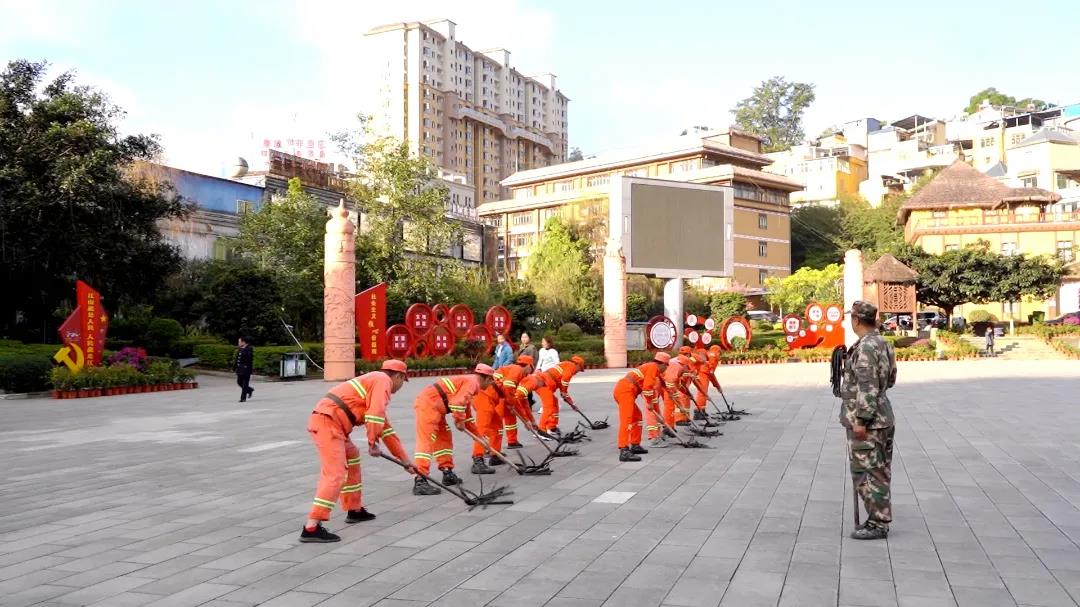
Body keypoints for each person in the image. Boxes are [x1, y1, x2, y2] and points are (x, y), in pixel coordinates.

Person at [300, 359, 414, 543]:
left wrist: (405, 461)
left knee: (352, 456)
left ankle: (354, 509)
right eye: (403, 381)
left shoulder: (374, 383)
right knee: (335, 474)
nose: (401, 387)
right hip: (328, 422)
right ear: (399, 376)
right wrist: (372, 443)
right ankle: (311, 527)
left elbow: (386, 429)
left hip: (334, 425)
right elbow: (375, 415)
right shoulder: (383, 380)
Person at [841, 300, 897, 540]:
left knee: (867, 473)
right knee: (880, 471)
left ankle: (878, 523)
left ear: (856, 320)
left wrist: (861, 421)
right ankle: (878, 517)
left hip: (869, 421)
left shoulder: (865, 348)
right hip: (884, 415)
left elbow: (867, 386)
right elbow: (890, 379)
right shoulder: (883, 343)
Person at [412, 365, 497, 495]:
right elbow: (457, 404)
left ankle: (447, 472)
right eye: (491, 381)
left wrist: (480, 439)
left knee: (444, 438)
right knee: (427, 441)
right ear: (487, 378)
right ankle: (420, 480)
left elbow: (468, 418)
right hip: (428, 404)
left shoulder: (468, 384)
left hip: (436, 406)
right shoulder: (473, 383)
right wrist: (459, 420)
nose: (491, 385)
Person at [611, 352, 667, 461]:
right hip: (625, 391)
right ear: (663, 364)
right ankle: (624, 450)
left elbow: (651, 390)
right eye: (666, 366)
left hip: (625, 390)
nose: (666, 369)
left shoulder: (651, 368)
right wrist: (649, 403)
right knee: (627, 420)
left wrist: (657, 415)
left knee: (637, 417)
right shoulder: (653, 367)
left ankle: (635, 445)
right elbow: (647, 387)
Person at [492, 355, 536, 449]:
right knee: (497, 422)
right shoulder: (518, 370)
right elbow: (508, 386)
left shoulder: (515, 370)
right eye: (531, 368)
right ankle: (492, 449)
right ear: (529, 365)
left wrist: (527, 420)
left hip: (502, 393)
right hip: (497, 394)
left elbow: (519, 400)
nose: (529, 373)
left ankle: (512, 441)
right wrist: (511, 403)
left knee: (510, 417)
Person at [536, 355, 586, 435]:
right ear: (577, 364)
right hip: (543, 384)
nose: (577, 372)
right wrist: (564, 392)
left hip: (544, 383)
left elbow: (563, 390)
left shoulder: (565, 366)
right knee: (549, 407)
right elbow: (565, 380)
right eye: (579, 369)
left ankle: (552, 427)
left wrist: (572, 403)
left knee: (554, 403)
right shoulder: (571, 366)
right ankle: (541, 430)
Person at [235, 336, 254, 403]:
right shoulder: (240, 348)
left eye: (239, 342)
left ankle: (243, 398)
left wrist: (243, 349)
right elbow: (237, 359)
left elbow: (249, 357)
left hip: (246, 369)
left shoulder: (249, 348)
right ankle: (250, 390)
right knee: (239, 382)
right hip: (240, 369)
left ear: (243, 342)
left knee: (245, 383)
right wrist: (234, 367)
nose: (238, 343)